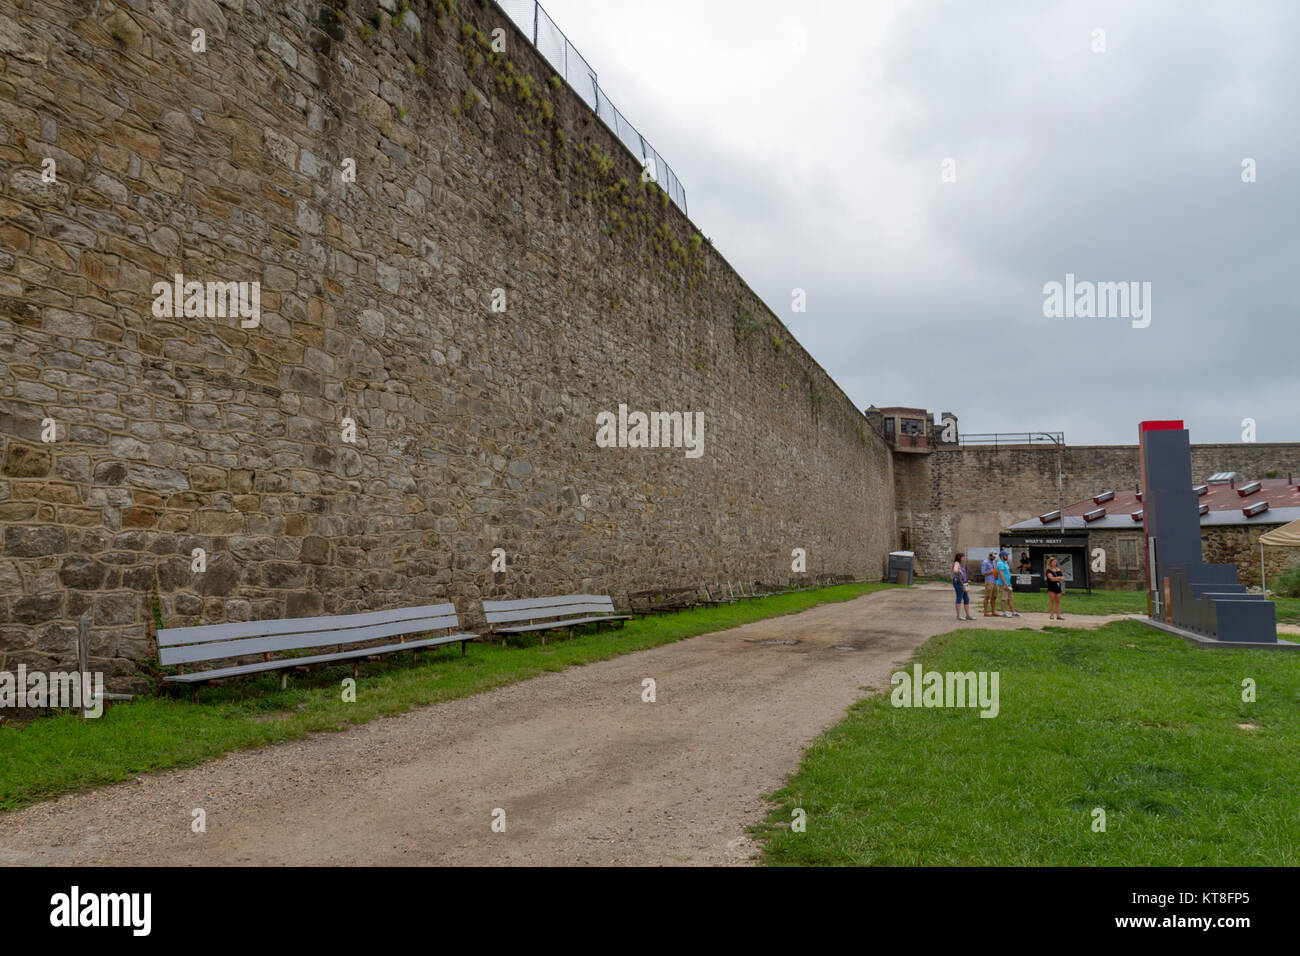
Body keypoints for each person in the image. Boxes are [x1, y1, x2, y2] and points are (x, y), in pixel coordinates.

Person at [996, 550, 1020, 617]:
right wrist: (1005, 583)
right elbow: (1001, 574)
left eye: (1007, 555)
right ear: (1001, 556)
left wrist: (1008, 583)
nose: (1007, 556)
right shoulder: (1000, 563)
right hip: (1003, 584)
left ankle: (1013, 612)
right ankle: (1004, 613)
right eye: (1005, 555)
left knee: (1010, 598)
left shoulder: (1005, 563)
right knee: (1003, 598)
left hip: (1008, 583)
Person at [952, 553, 974, 621]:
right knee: (959, 597)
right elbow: (955, 570)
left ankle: (967, 615)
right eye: (963, 557)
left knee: (966, 598)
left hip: (964, 583)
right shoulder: (957, 563)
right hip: (958, 583)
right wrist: (959, 572)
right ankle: (958, 615)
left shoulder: (961, 564)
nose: (964, 558)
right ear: (960, 557)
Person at [980, 552, 998, 616]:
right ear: (990, 556)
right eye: (993, 557)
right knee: (987, 596)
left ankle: (993, 611)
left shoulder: (994, 562)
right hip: (989, 581)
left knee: (994, 597)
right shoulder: (985, 562)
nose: (994, 558)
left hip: (995, 581)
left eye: (995, 557)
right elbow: (983, 572)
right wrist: (992, 572)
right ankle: (985, 612)